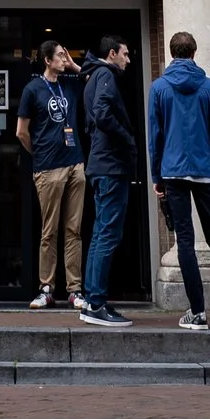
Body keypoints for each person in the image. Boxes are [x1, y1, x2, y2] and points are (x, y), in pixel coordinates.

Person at [147, 30, 210, 331]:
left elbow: (155, 136)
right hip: (205, 171)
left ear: (172, 53)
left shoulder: (159, 88)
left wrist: (157, 176)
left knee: (186, 242)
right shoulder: (209, 87)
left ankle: (198, 312)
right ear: (193, 53)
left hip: (173, 171)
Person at [15, 39, 86, 309]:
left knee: (74, 230)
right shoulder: (33, 89)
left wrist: (73, 65)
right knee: (49, 231)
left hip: (75, 163)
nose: (63, 58)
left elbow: (92, 78)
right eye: (59, 55)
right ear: (46, 60)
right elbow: (21, 131)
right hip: (47, 167)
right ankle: (46, 287)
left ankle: (75, 289)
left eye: (64, 55)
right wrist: (39, 153)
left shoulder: (70, 84)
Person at [76, 34, 136, 328]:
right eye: (125, 53)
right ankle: (96, 302)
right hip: (111, 166)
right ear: (112, 53)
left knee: (101, 233)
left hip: (101, 164)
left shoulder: (92, 76)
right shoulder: (105, 75)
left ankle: (92, 300)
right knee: (107, 234)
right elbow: (102, 113)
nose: (128, 59)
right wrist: (128, 141)